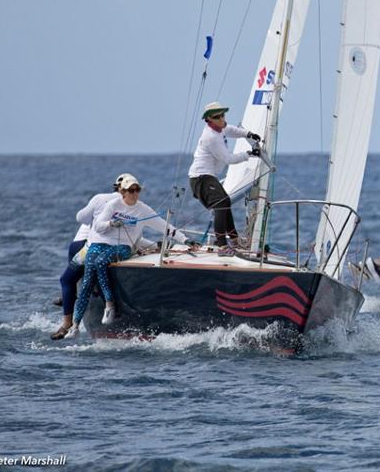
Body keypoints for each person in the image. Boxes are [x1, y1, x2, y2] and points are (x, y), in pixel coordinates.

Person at [65, 176, 195, 338]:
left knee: (101, 262)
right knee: (87, 281)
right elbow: (98, 226)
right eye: (130, 190)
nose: (134, 194)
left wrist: (185, 239)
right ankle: (75, 326)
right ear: (122, 191)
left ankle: (109, 304)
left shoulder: (143, 209)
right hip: (101, 242)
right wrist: (111, 224)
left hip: (124, 247)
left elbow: (164, 226)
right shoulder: (113, 205)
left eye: (137, 190)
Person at [50, 173, 133, 340]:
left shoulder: (100, 198)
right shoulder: (132, 206)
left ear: (116, 187)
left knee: (67, 280)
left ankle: (67, 322)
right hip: (109, 248)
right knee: (91, 278)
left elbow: (80, 217)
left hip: (83, 246)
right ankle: (86, 301)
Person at [188, 101, 261, 256]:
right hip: (200, 177)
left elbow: (231, 129)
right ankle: (222, 246)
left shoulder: (219, 128)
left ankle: (234, 240)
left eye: (222, 115)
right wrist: (248, 154)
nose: (221, 119)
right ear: (209, 120)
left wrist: (248, 134)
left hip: (207, 176)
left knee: (225, 201)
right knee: (221, 203)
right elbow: (228, 159)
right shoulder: (211, 137)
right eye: (217, 117)